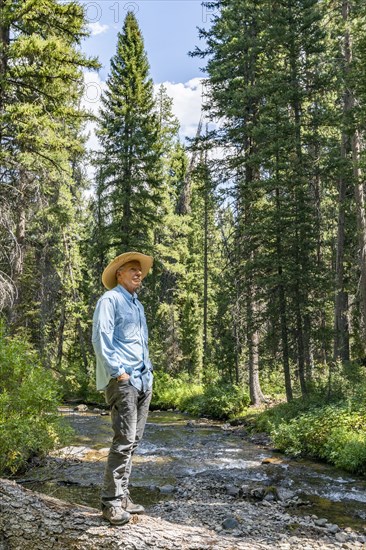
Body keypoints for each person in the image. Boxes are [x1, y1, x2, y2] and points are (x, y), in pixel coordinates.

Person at [92, 251, 154, 526]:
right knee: (124, 441)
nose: (138, 273)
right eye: (132, 269)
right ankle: (111, 503)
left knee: (134, 442)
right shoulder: (110, 300)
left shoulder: (137, 305)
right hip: (124, 382)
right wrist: (120, 374)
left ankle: (124, 496)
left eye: (139, 270)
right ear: (119, 274)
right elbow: (101, 338)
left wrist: (148, 374)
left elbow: (139, 345)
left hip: (143, 381)